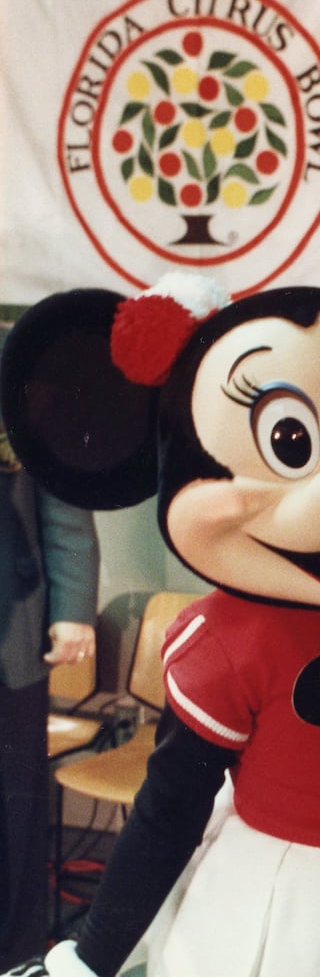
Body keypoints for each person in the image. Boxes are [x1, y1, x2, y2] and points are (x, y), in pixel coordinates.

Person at [0, 322, 101, 969]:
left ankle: (12, 954)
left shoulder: (15, 358)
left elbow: (62, 493)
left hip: (8, 627)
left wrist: (71, 611)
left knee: (13, 808)